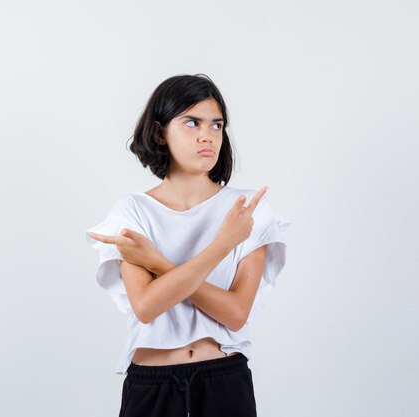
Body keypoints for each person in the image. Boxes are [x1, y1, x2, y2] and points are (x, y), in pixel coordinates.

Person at [84, 73, 291, 417]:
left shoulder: (248, 211)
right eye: (192, 123)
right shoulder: (132, 212)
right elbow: (147, 306)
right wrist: (223, 245)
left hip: (223, 382)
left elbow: (236, 314)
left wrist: (158, 263)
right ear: (160, 131)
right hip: (152, 386)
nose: (207, 136)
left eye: (216, 125)